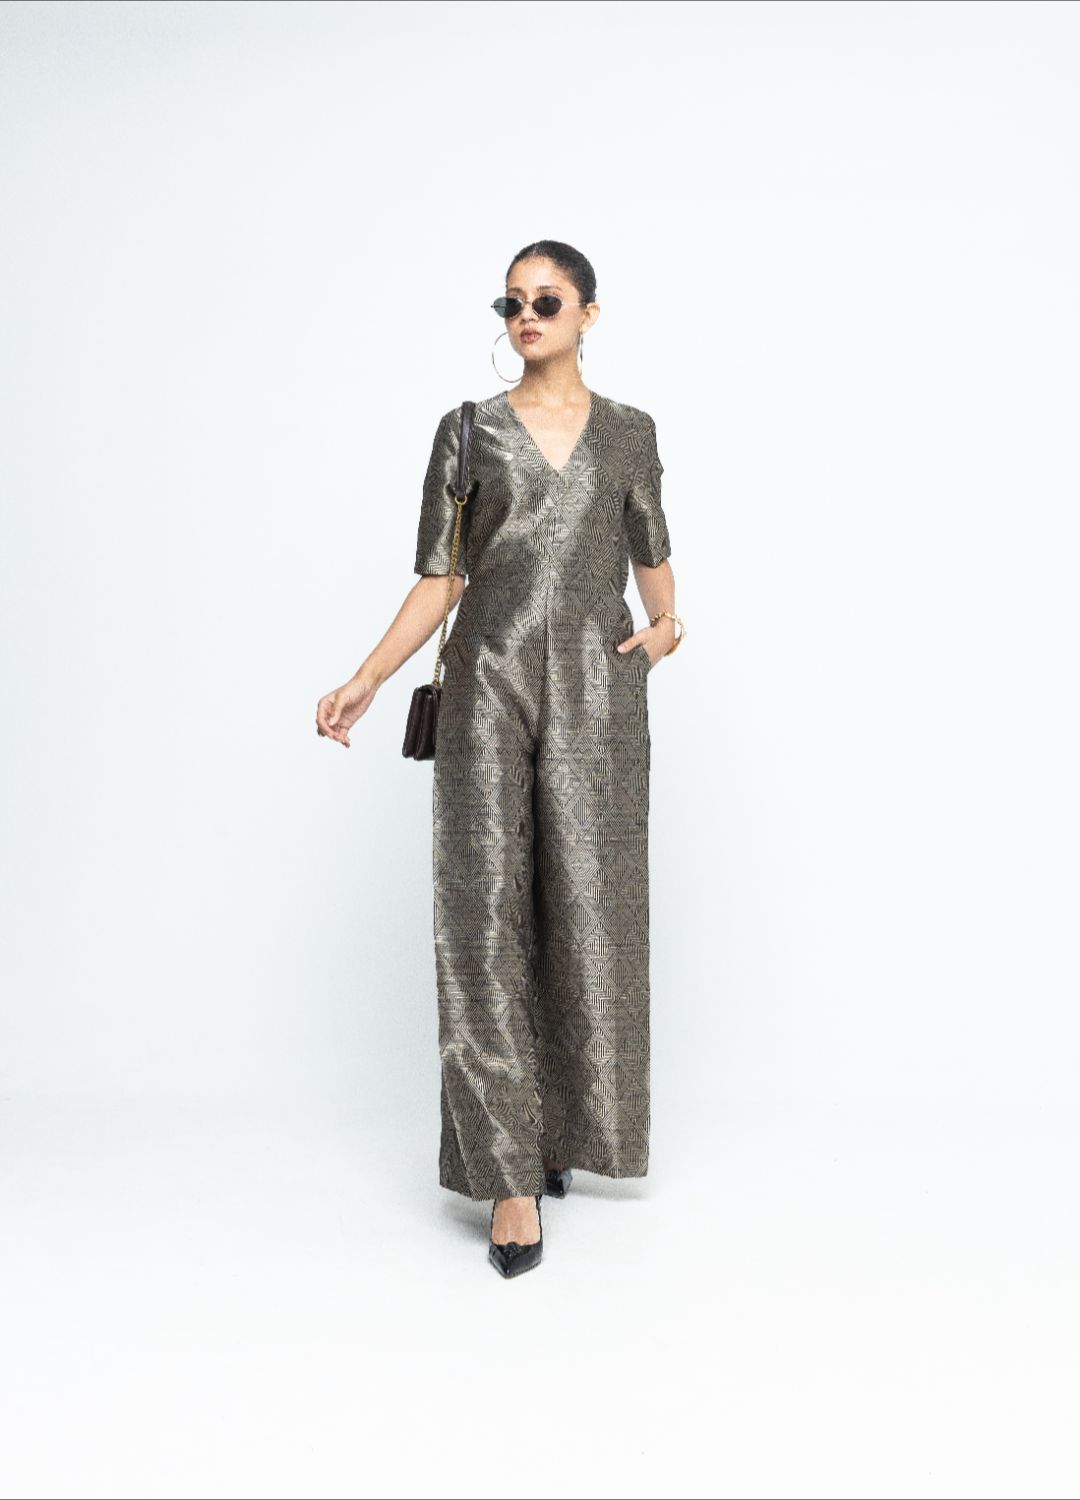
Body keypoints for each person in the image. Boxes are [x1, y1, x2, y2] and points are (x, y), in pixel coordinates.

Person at [316, 240, 685, 1278]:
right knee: (482, 917)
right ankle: (508, 1178)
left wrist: (665, 633)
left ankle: (558, 1132)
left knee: (589, 913)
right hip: (487, 689)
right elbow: (440, 577)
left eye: (547, 300)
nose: (526, 315)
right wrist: (367, 677)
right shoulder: (468, 430)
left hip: (598, 698)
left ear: (588, 313)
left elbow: (655, 562)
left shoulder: (630, 432)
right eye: (512, 302)